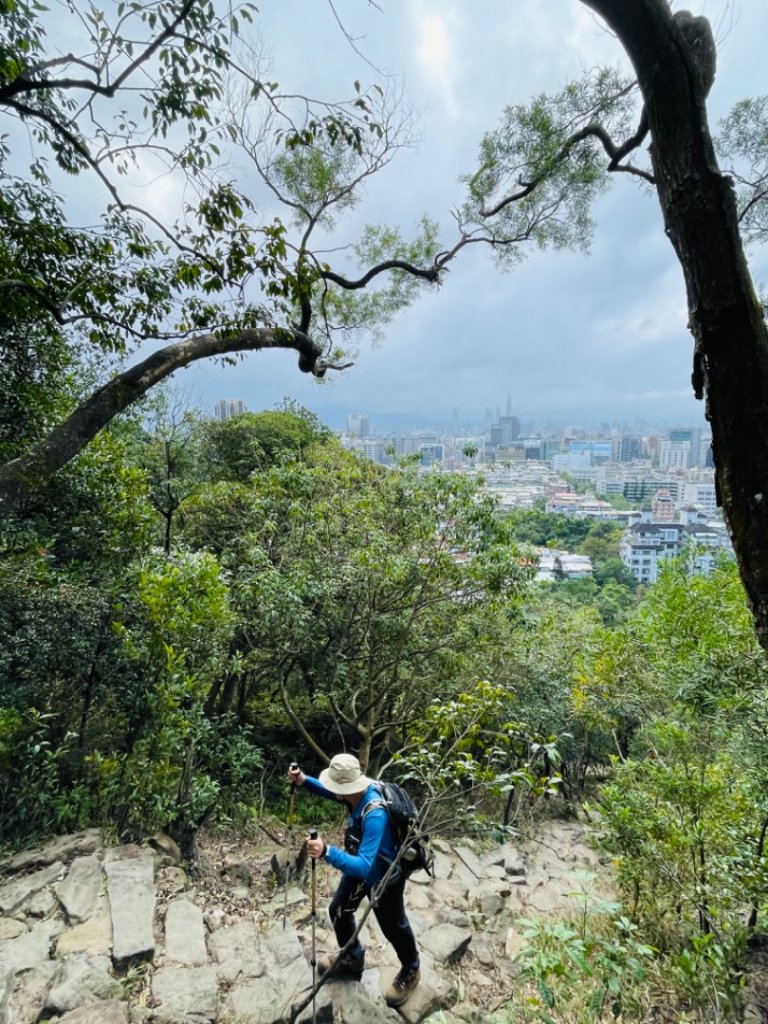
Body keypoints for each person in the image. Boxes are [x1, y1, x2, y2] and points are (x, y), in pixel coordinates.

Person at [287, 753, 421, 1008]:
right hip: (363, 864)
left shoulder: (374, 815)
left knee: (394, 926)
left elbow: (363, 865)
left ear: (347, 788)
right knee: (338, 909)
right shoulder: (356, 792)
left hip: (384, 877)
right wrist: (303, 780)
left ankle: (412, 968)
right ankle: (352, 957)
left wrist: (327, 852)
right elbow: (331, 791)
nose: (334, 791)